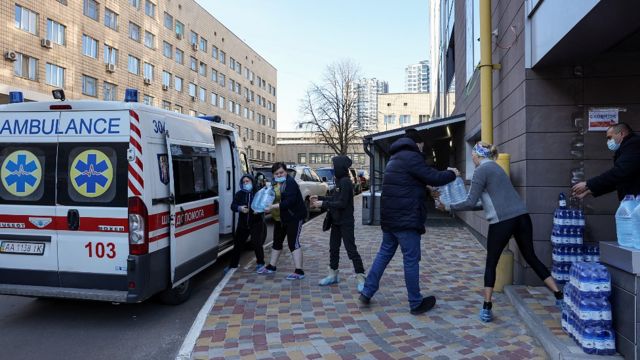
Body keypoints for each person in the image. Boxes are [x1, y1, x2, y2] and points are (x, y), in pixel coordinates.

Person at [446, 141, 563, 322]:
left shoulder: (481, 171)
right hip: (522, 216)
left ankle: (486, 307)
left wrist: (448, 206)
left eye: (473, 156)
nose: (472, 158)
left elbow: (469, 201)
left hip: (502, 221)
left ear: (478, 155)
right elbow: (483, 203)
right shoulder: (497, 168)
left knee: (491, 262)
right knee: (530, 256)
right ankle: (559, 295)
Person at [359, 128, 459, 315]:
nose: (423, 150)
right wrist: (451, 173)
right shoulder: (412, 157)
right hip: (406, 219)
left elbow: (410, 181)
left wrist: (425, 188)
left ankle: (367, 291)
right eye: (422, 146)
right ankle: (415, 302)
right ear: (417, 143)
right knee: (411, 260)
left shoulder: (395, 158)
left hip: (390, 218)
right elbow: (434, 177)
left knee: (384, 254)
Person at [310, 155, 366, 291]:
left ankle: (361, 277)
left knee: (351, 250)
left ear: (340, 167)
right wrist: (320, 197)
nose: (333, 169)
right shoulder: (339, 180)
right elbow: (335, 197)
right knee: (333, 249)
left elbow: (341, 203)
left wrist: (322, 203)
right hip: (336, 221)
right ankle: (333, 274)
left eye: (334, 166)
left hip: (346, 222)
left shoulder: (346, 182)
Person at [257, 162, 307, 280]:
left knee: (292, 243)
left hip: (294, 217)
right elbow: (268, 197)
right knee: (277, 242)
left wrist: (272, 207)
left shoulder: (290, 183)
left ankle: (299, 271)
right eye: (276, 173)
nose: (279, 175)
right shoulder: (275, 183)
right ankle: (271, 266)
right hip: (280, 218)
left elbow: (289, 202)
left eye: (281, 172)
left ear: (286, 172)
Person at [572, 123, 640, 200]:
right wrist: (589, 190)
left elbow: (620, 172)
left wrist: (588, 184)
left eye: (610, 138)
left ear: (621, 134)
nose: (608, 142)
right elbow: (618, 180)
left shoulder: (634, 144)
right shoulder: (628, 147)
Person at [227, 174, 266, 272]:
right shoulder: (239, 194)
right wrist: (239, 208)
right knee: (238, 244)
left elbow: (265, 205)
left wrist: (260, 210)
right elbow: (233, 206)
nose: (245, 183)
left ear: (252, 182)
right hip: (243, 224)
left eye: (247, 181)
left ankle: (260, 264)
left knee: (257, 243)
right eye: (244, 182)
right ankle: (233, 265)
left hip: (256, 222)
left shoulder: (258, 193)